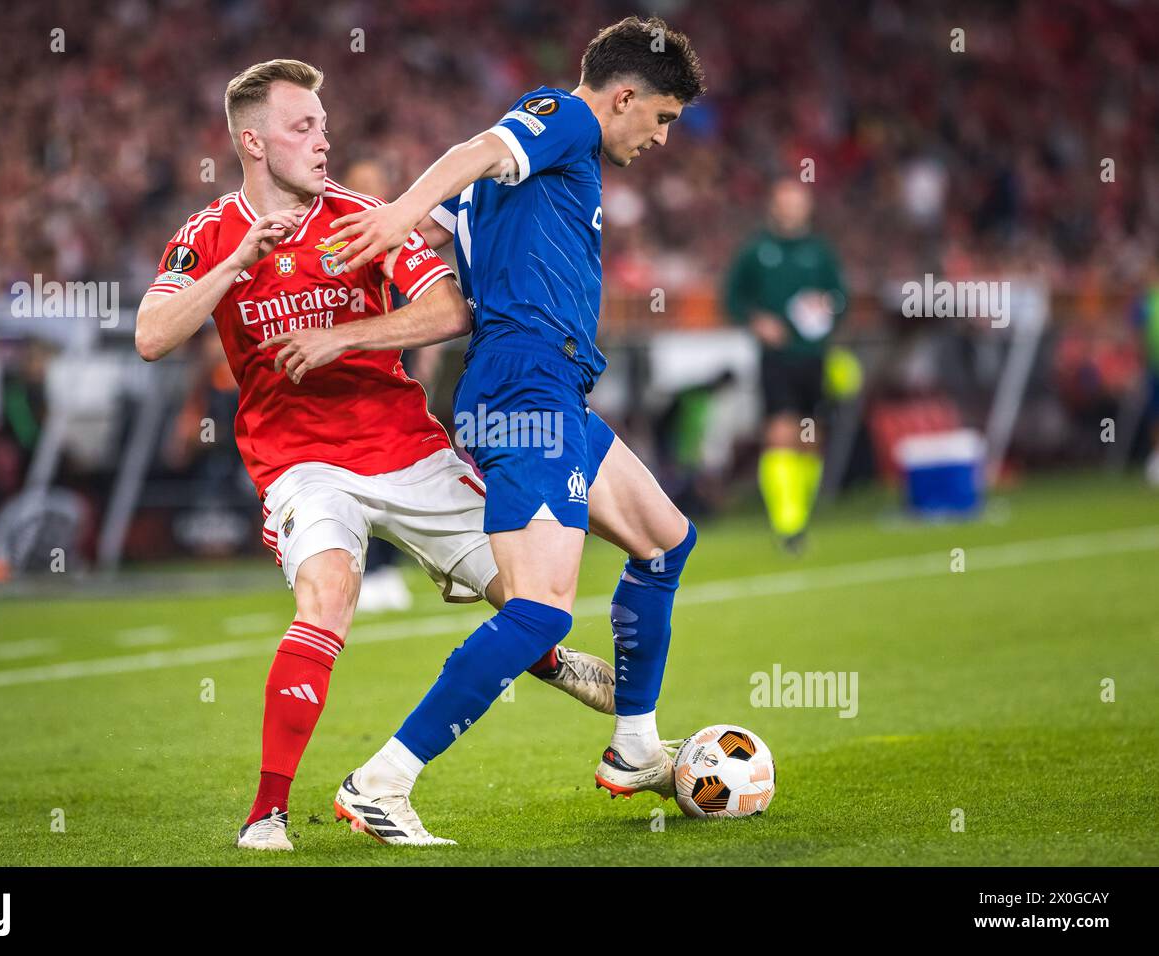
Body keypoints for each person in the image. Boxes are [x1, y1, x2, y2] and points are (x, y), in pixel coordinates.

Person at [134, 59, 614, 852]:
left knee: (532, 599)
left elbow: (451, 307)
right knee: (327, 597)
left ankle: (554, 660)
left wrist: (342, 336)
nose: (324, 141)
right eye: (303, 127)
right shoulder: (208, 236)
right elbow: (152, 337)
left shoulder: (360, 216)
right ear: (252, 141)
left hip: (407, 450)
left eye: (324, 125)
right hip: (302, 464)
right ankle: (268, 812)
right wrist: (236, 265)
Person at [271, 16, 706, 845]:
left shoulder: (521, 178)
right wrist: (398, 213)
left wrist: (366, 275)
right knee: (541, 613)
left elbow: (457, 220)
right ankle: (382, 783)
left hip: (551, 388)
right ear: (624, 96)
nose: (659, 137)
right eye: (661, 118)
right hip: (527, 385)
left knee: (664, 541)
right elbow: (474, 148)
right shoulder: (566, 117)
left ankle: (636, 745)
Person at [724, 177, 847, 550]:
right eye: (785, 202)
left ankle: (802, 514)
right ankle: (787, 524)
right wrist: (757, 320)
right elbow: (732, 298)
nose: (791, 209)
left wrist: (829, 307)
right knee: (780, 433)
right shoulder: (757, 250)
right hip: (776, 359)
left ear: (807, 208)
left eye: (798, 202)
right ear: (774, 206)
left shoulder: (820, 252)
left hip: (814, 357)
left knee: (810, 439)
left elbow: (841, 297)